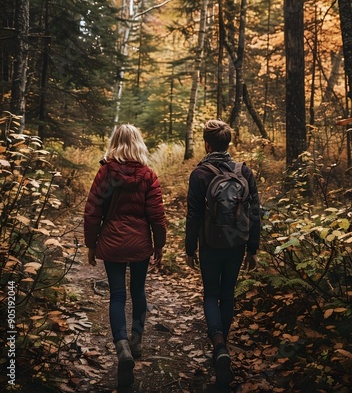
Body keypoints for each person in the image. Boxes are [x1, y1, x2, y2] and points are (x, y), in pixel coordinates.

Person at [84, 124, 167, 388]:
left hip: (112, 241)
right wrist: (159, 245)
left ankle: (121, 346)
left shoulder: (106, 173)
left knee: (117, 295)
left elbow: (92, 211)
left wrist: (91, 244)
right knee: (139, 292)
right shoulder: (148, 175)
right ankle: (137, 341)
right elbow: (157, 216)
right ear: (139, 143)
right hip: (140, 242)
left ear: (115, 142)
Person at [185, 119, 261, 388]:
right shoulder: (244, 171)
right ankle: (223, 348)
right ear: (228, 143)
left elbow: (193, 215)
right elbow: (254, 212)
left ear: (207, 143)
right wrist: (252, 249)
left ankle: (218, 344)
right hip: (236, 243)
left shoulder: (200, 174)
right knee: (227, 293)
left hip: (209, 244)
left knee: (211, 294)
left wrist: (189, 249)